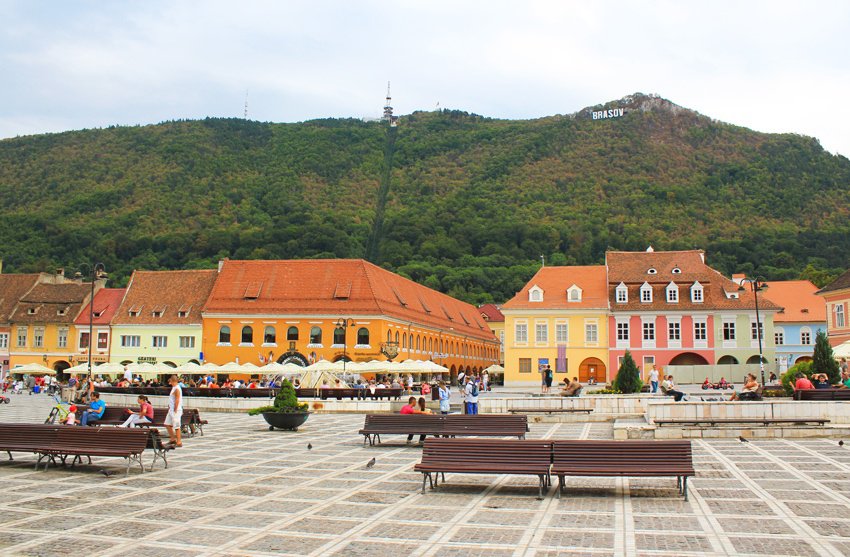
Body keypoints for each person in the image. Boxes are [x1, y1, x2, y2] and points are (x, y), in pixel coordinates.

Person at [164, 375, 183, 447]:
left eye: (170, 382)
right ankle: (172, 439)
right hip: (171, 410)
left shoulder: (177, 389)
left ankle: (179, 441)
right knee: (167, 424)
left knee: (176, 426)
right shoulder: (174, 388)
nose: (170, 383)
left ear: (173, 381)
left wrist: (175, 408)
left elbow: (177, 399)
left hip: (176, 410)